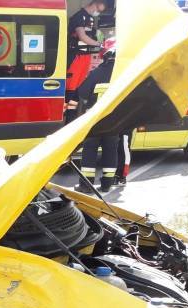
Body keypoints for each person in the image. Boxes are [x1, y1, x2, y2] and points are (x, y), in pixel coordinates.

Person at [75, 38, 118, 194]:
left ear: (104, 55)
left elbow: (82, 92)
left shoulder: (97, 72)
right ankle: (107, 184)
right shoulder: (123, 74)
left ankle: (86, 185)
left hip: (95, 120)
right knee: (111, 151)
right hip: (114, 121)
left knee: (90, 150)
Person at [66, 1, 106, 99]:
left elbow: (91, 35)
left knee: (79, 84)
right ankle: (67, 105)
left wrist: (99, 37)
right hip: (77, 56)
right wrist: (99, 44)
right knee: (71, 86)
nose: (98, 12)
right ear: (95, 3)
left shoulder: (90, 18)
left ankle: (74, 105)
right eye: (99, 10)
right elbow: (82, 36)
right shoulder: (79, 16)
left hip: (86, 56)